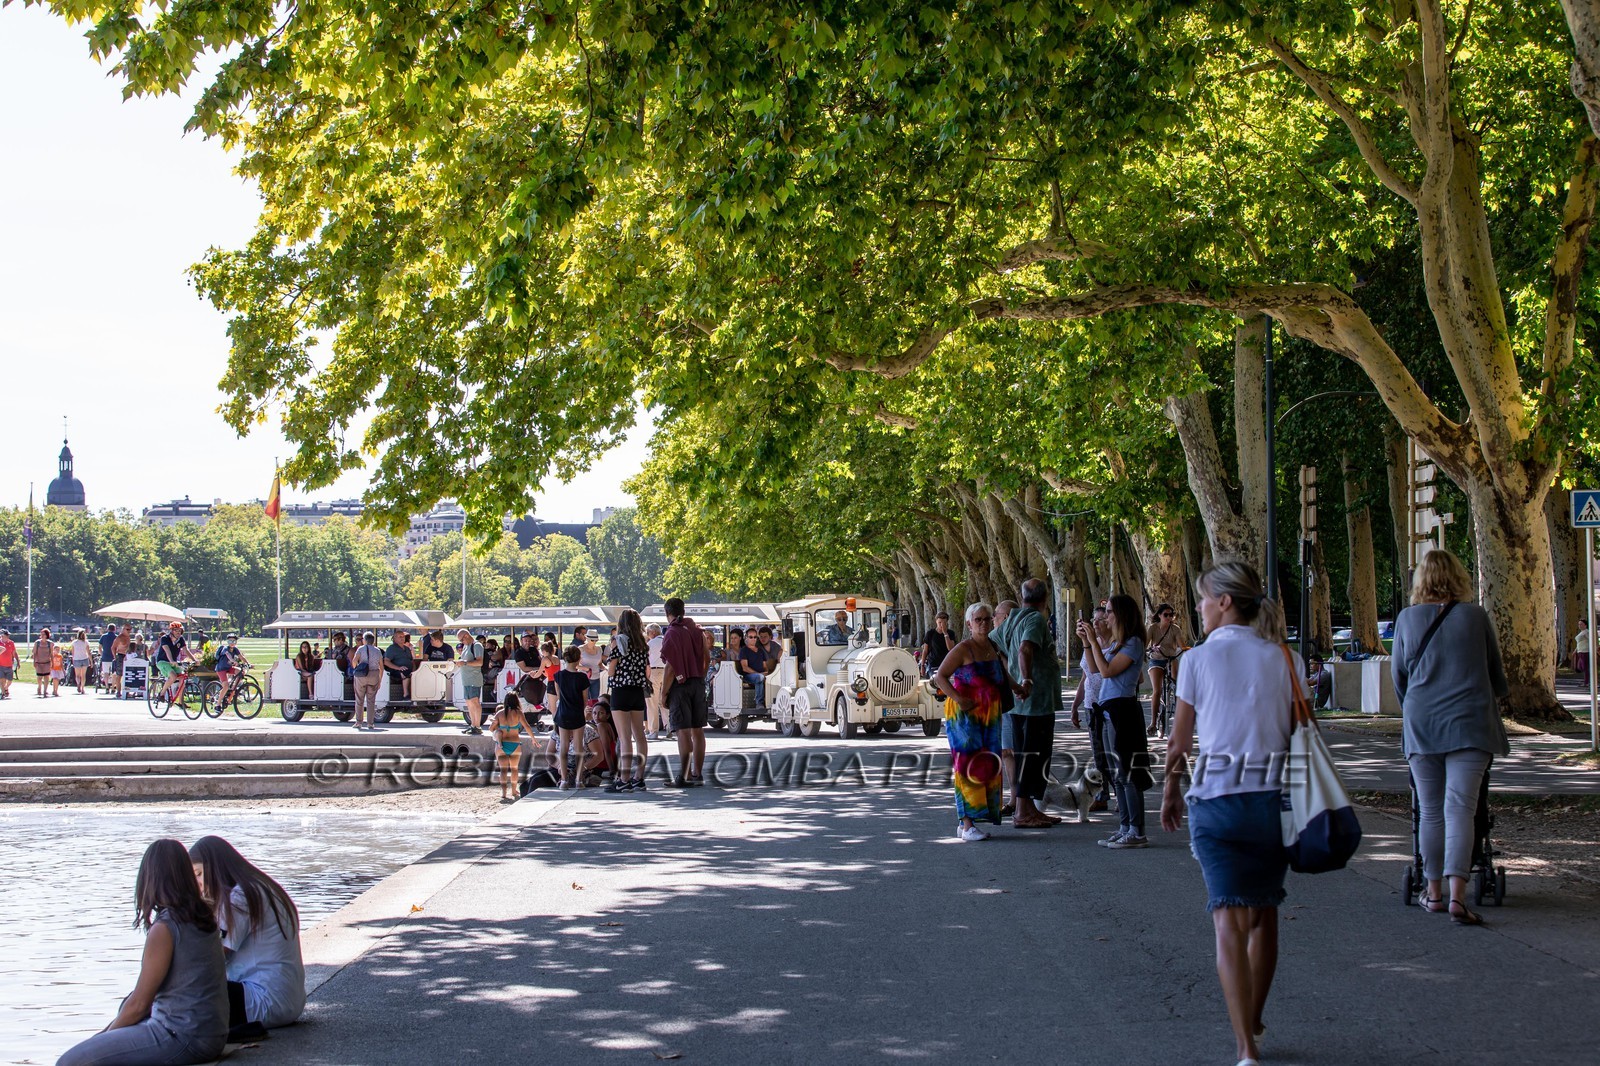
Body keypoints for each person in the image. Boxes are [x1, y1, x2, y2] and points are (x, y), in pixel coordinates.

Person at [1159, 560, 1296, 1066]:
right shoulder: (1285, 659)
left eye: (1202, 597)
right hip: (1271, 803)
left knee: (1227, 924)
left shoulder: (1194, 661)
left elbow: (1179, 740)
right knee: (1264, 916)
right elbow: (1299, 734)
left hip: (1216, 802)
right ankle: (1255, 1016)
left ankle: (1246, 1048)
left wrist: (1171, 789)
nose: (1198, 606)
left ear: (1224, 601)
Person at [1392, 548, 1509, 927]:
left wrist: (1417, 703)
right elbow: (1497, 676)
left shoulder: (1407, 620)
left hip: (1423, 725)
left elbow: (1399, 680)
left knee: (1429, 810)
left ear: (1420, 582)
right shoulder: (1476, 617)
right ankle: (1460, 896)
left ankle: (1434, 892)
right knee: (1461, 808)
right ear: (1458, 577)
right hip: (1471, 724)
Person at [57, 839, 228, 1066]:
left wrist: (101, 1038)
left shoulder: (165, 928)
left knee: (70, 1061)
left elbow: (140, 1004)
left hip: (182, 1037)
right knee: (121, 1015)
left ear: (150, 878)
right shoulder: (203, 916)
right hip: (212, 1033)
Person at [187, 836, 305, 1040]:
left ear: (215, 867)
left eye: (198, 874)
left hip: (264, 1001)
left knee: (180, 995)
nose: (197, 884)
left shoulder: (239, 898)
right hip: (287, 999)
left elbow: (212, 957)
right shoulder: (260, 887)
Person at [933, 602, 1017, 841]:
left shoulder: (992, 645)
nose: (983, 623)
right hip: (965, 717)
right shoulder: (963, 649)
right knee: (967, 766)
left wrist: (1019, 687)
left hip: (990, 717)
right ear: (969, 624)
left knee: (987, 764)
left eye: (987, 619)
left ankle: (969, 822)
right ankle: (967, 823)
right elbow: (940, 676)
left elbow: (1002, 674)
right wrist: (960, 699)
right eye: (978, 620)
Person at [1078, 594, 1149, 849]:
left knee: (1127, 773)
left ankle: (1137, 830)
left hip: (1123, 712)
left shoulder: (1133, 643)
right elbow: (1095, 669)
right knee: (1116, 774)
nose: (1105, 616)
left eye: (1108, 612)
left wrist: (1093, 644)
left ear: (1121, 614)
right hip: (1108, 712)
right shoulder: (1120, 643)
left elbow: (1106, 670)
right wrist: (1088, 642)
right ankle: (1125, 826)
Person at [997, 580, 1061, 830]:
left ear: (1022, 596)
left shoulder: (1012, 618)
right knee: (1033, 757)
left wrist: (1007, 670)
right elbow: (1025, 649)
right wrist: (1026, 679)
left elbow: (994, 644)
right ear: (1046, 598)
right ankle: (1023, 812)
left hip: (1021, 704)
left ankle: (1029, 807)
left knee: (1027, 755)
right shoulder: (1034, 619)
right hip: (1035, 704)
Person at [661, 597, 709, 788]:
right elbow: (706, 655)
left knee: (683, 731)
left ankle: (685, 775)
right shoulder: (697, 630)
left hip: (681, 686)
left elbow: (670, 667)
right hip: (698, 682)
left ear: (667, 613)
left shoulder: (672, 632)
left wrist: (664, 693)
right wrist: (701, 674)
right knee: (698, 730)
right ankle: (698, 773)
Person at [1070, 604, 1113, 810]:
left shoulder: (1115, 646)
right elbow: (1086, 677)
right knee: (1098, 754)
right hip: (1091, 704)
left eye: (1099, 620)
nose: (1094, 623)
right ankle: (1101, 795)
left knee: (1113, 753)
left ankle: (1120, 795)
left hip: (1109, 705)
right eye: (1093, 619)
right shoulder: (1090, 644)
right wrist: (1075, 705)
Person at [605, 608, 651, 793]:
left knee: (625, 738)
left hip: (621, 690)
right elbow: (646, 669)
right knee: (640, 735)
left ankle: (624, 779)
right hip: (637, 691)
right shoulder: (642, 643)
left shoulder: (618, 641)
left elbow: (611, 668)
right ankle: (639, 777)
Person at [991, 599, 1018, 813]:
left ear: (1006, 618)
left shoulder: (1011, 640)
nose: (992, 620)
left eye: (995, 615)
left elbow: (1014, 672)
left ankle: (1016, 800)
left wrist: (1000, 658)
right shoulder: (995, 640)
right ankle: (1010, 798)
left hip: (1013, 703)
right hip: (1001, 703)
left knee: (1011, 751)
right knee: (1005, 751)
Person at [553, 646, 592, 790]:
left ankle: (563, 780)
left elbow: (558, 696)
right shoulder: (582, 677)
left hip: (563, 713)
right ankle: (579, 779)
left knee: (563, 747)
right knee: (578, 747)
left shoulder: (558, 676)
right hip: (576, 713)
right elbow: (585, 699)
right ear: (578, 659)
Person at [1146, 602, 1185, 736]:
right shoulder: (1152, 628)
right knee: (1157, 690)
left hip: (1170, 658)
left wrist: (1186, 649)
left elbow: (1181, 645)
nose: (1169, 617)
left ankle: (1179, 717)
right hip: (1156, 659)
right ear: (1159, 615)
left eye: (1171, 615)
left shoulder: (1175, 629)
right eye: (1166, 615)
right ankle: (1153, 722)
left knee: (1178, 686)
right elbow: (1146, 643)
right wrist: (1149, 649)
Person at [490, 693, 535, 801]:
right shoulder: (518, 713)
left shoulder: (500, 713)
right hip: (515, 744)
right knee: (514, 769)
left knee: (503, 770)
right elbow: (527, 726)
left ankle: (504, 793)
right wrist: (533, 739)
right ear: (516, 701)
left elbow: (491, 728)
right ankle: (514, 790)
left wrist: (498, 728)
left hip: (502, 745)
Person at [456, 628, 486, 736]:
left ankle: (477, 726)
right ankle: (473, 725)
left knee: (475, 701)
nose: (461, 642)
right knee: (469, 702)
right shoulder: (466, 646)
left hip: (474, 677)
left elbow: (479, 662)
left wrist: (464, 663)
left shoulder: (476, 645)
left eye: (461, 640)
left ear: (466, 636)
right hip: (466, 679)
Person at [737, 628, 769, 709]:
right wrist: (759, 674)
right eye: (751, 637)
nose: (753, 639)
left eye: (755, 637)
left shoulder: (761, 651)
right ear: (746, 638)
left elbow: (765, 666)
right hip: (748, 676)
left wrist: (767, 672)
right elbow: (745, 668)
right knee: (759, 678)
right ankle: (759, 703)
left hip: (760, 674)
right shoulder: (744, 650)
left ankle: (770, 701)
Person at [645, 623, 667, 738]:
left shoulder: (650, 644)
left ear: (652, 632)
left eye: (648, 633)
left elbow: (646, 661)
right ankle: (669, 727)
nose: (648, 635)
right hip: (666, 671)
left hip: (653, 672)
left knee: (651, 702)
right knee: (664, 700)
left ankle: (653, 730)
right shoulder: (667, 640)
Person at [919, 611, 953, 678]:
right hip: (933, 664)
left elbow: (951, 648)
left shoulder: (950, 633)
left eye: (944, 623)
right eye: (939, 622)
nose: (941, 625)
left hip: (946, 664)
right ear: (936, 621)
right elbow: (925, 651)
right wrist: (922, 666)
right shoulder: (930, 633)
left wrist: (945, 634)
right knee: (935, 682)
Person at [384, 631, 415, 700]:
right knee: (405, 672)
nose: (402, 638)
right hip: (395, 671)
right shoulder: (391, 649)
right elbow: (386, 662)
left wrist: (415, 671)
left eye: (403, 636)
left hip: (408, 669)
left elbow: (412, 661)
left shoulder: (407, 649)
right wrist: (398, 668)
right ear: (394, 638)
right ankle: (406, 695)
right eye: (400, 637)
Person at [109, 623, 133, 699]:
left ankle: (126, 691)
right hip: (120, 656)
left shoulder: (128, 637)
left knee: (128, 674)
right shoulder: (119, 638)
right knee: (119, 675)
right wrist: (115, 657)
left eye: (130, 629)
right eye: (127, 629)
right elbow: (113, 648)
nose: (129, 631)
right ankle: (118, 692)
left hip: (127, 656)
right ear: (123, 629)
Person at [579, 630, 605, 700]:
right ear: (587, 639)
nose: (594, 642)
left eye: (596, 640)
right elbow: (575, 664)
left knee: (595, 700)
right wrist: (585, 668)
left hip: (596, 678)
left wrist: (607, 668)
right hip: (584, 678)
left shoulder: (599, 649)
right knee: (584, 700)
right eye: (592, 640)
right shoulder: (581, 649)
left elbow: (600, 664)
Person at [98, 623, 117, 690]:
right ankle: (112, 687)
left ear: (107, 629)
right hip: (114, 657)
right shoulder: (116, 637)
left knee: (106, 673)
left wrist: (102, 653)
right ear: (114, 629)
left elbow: (99, 647)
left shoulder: (103, 636)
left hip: (105, 657)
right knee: (114, 674)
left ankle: (106, 687)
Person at [0, 629, 17, 700]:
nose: (8, 636)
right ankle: (3, 693)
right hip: (1, 665)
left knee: (10, 680)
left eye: (8, 635)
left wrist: (17, 661)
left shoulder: (11, 643)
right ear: (2, 636)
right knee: (2, 680)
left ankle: (6, 688)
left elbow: (14, 653)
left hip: (9, 664)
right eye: (6, 635)